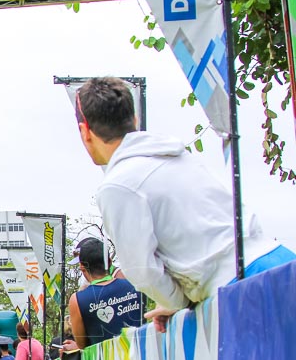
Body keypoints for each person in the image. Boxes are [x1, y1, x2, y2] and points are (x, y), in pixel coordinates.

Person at [74, 77, 294, 331]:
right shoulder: (175, 156)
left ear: (84, 131)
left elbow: (143, 272)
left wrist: (178, 302)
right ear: (134, 120)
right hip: (279, 262)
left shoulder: (118, 185)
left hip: (241, 290)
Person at [64, 237, 144, 352]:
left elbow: (82, 344)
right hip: (142, 359)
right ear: (109, 261)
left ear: (82, 267)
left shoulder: (77, 300)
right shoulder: (135, 284)